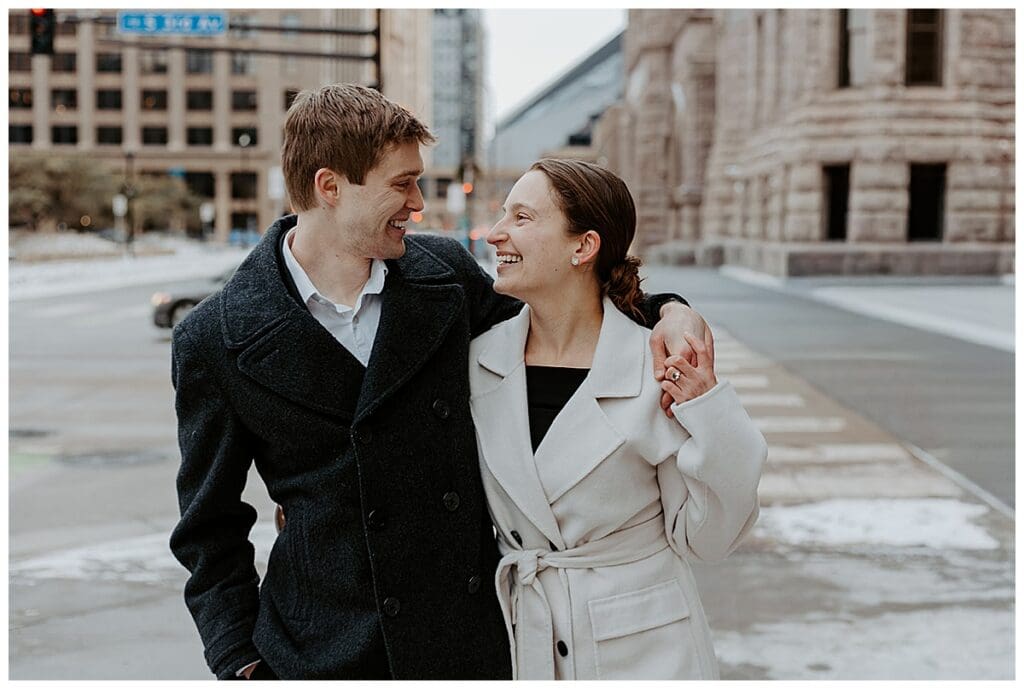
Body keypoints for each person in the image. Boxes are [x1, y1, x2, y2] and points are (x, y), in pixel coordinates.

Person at [168, 84, 712, 680]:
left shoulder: (444, 277)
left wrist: (667, 310)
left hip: (462, 638)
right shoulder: (215, 338)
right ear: (330, 187)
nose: (418, 202)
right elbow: (209, 528)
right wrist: (239, 661)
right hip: (320, 649)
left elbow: (564, 316)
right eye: (402, 184)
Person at [469, 159, 767, 680]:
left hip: (647, 652)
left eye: (521, 217)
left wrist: (709, 412)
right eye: (503, 215)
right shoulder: (478, 362)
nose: (495, 234)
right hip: (523, 639)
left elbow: (709, 538)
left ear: (583, 247)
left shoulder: (656, 367)